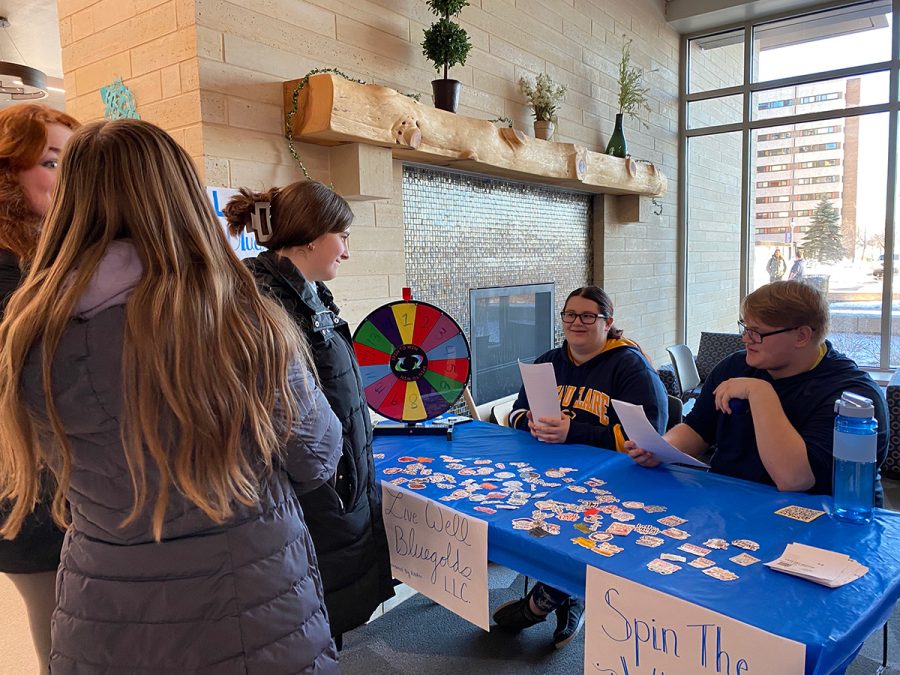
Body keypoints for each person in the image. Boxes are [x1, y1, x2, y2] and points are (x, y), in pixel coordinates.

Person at [0, 119, 343, 673]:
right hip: (253, 612)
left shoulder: (29, 331)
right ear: (181, 198)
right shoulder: (243, 322)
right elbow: (318, 456)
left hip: (102, 610)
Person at [224, 181, 394, 645]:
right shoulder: (264, 305)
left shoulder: (308, 295)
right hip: (310, 498)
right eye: (343, 237)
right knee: (306, 629)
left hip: (334, 490)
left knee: (323, 629)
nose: (347, 252)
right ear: (312, 236)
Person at [493, 286, 667, 648]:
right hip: (551, 471)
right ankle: (565, 595)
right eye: (570, 315)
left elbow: (646, 438)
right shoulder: (549, 361)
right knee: (529, 519)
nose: (577, 322)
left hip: (615, 479)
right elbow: (518, 413)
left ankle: (543, 602)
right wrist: (533, 424)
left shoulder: (629, 367)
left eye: (588, 316)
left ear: (608, 322)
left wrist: (574, 431)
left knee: (579, 531)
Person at [627, 281, 888, 504]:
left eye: (757, 332)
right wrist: (660, 449)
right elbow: (698, 429)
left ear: (802, 336)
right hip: (731, 504)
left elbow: (794, 479)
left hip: (813, 524)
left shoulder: (852, 397)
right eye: (745, 328)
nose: (745, 339)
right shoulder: (735, 365)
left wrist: (761, 393)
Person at [0, 103, 78, 673]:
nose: (68, 178)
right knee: (61, 635)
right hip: (27, 487)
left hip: (75, 485)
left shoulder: (53, 256)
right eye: (52, 161)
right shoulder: (13, 271)